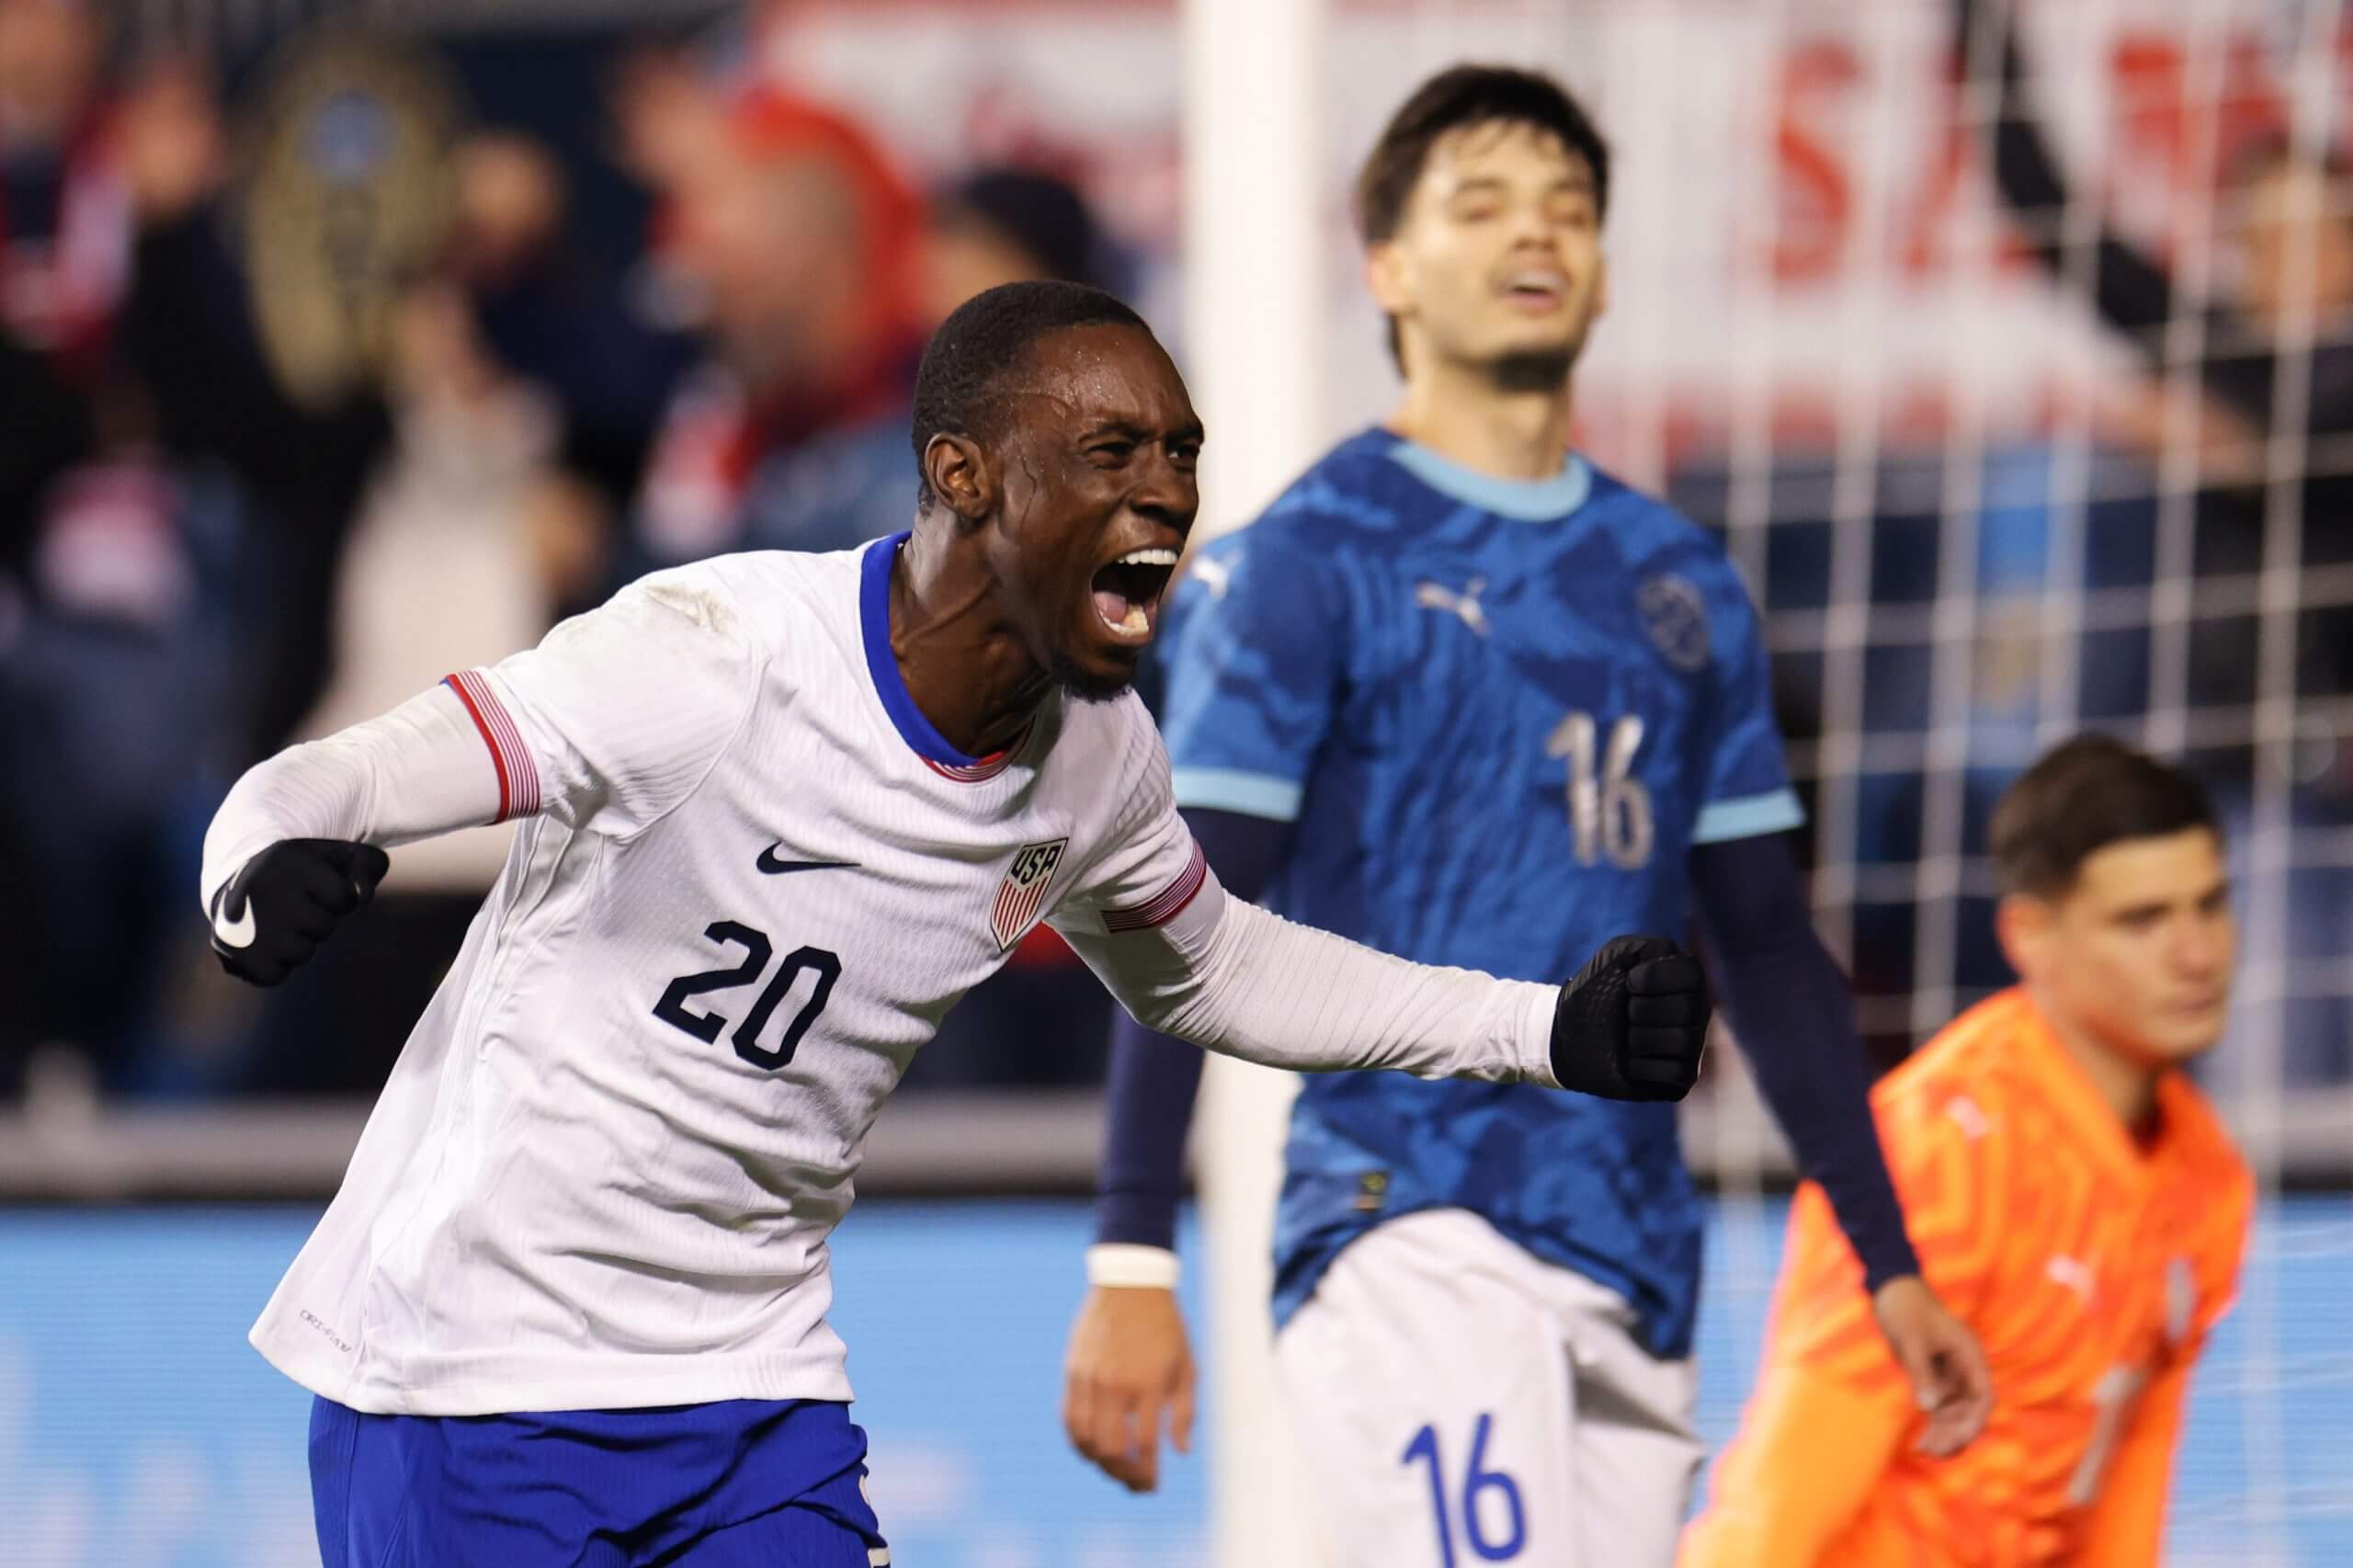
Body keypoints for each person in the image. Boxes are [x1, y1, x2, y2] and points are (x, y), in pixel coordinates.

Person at [198, 281, 1715, 1568]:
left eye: (1181, 454)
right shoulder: (715, 659)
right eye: (1112, 451)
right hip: (466, 1373)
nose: (1167, 494)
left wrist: (1542, 1028)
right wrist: (255, 859)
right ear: (965, 474)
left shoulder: (1100, 758)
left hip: (748, 1382)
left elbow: (1217, 967)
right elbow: (347, 774)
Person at [1058, 66, 1992, 1564]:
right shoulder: (1303, 563)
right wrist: (1130, 1253)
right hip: (1407, 1214)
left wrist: (1889, 1256)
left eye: (1567, 208)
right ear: (1388, 268)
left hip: (1633, 1243)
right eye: (1481, 204)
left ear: (1604, 273)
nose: (1534, 233)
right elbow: (1180, 922)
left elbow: (1767, 947)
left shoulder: (1679, 581)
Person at [1680, 735, 2253, 1565]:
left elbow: (2132, 1480)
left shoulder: (2207, 1175)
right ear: (2029, 936)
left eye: (2210, 905)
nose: (2197, 955)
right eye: (2143, 920)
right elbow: (1772, 1519)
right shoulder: (1944, 1155)